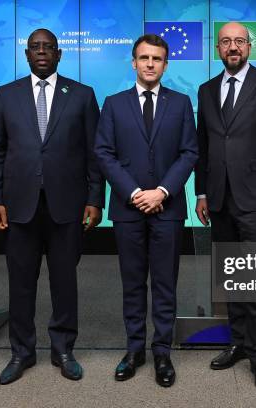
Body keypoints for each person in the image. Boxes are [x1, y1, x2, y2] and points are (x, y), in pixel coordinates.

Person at [0, 28, 104, 385]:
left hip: (67, 205)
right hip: (19, 206)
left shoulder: (82, 95)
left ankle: (63, 349)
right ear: (26, 54)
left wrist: (95, 199)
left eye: (47, 47)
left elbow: (94, 154)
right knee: (20, 283)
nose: (41, 52)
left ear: (59, 54)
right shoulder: (6, 95)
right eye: (35, 47)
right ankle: (21, 352)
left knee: (64, 282)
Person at [194, 22, 256, 392]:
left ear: (249, 47)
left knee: (254, 277)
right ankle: (237, 342)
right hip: (219, 199)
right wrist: (201, 193)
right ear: (218, 48)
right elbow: (203, 146)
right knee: (230, 275)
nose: (233, 47)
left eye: (239, 41)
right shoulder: (206, 91)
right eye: (226, 42)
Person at [94, 34, 198, 387]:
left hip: (168, 209)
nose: (150, 64)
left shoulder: (181, 103)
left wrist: (163, 191)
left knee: (166, 283)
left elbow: (189, 153)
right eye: (144, 58)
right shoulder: (113, 103)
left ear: (165, 65)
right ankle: (134, 349)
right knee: (133, 283)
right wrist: (137, 192)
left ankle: (162, 352)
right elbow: (103, 152)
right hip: (128, 208)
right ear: (133, 62)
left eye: (157, 58)